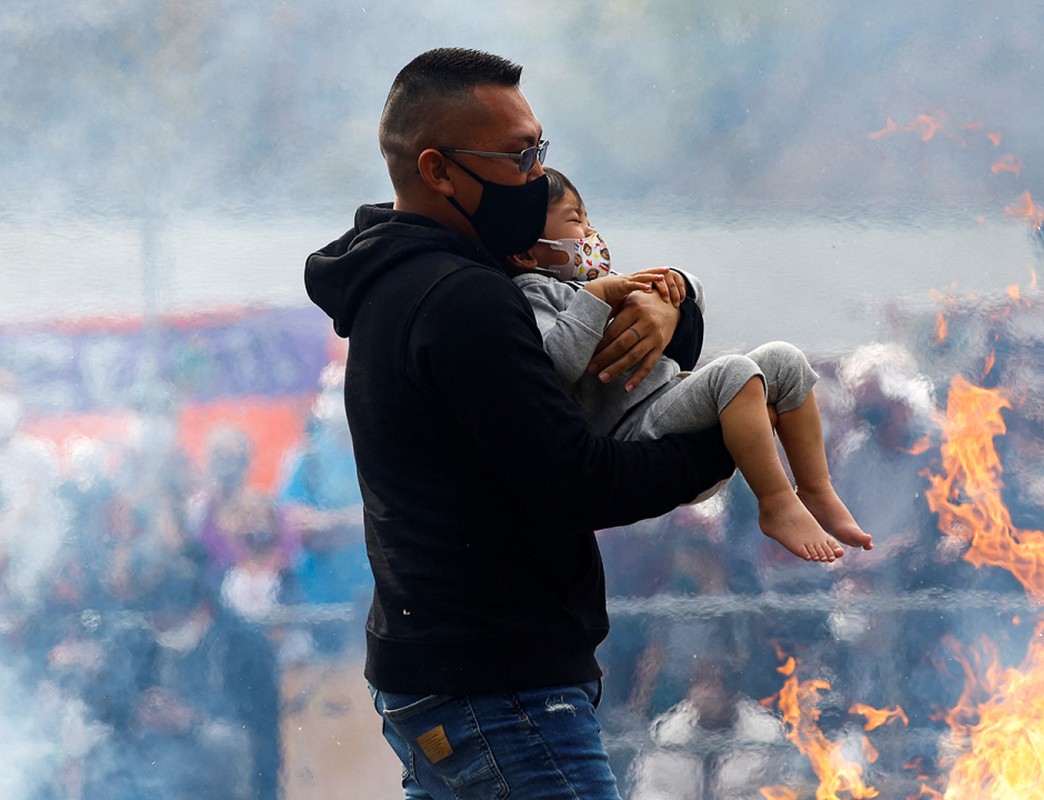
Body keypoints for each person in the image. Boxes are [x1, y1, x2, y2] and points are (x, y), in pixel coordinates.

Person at [304, 47, 735, 799]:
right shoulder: (461, 299)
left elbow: (600, 351)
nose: (537, 174)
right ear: (438, 170)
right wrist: (720, 440)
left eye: (539, 149)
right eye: (516, 155)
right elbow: (576, 480)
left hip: (451, 676)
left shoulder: (422, 274)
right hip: (499, 688)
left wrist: (675, 300)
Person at [505, 168, 872, 562]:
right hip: (635, 427)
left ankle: (815, 489)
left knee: (785, 361)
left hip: (670, 397)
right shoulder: (532, 296)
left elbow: (686, 293)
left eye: (589, 218)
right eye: (576, 220)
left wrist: (677, 284)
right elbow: (553, 369)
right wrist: (595, 300)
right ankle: (776, 502)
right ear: (526, 252)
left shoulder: (589, 284)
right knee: (734, 373)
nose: (592, 233)